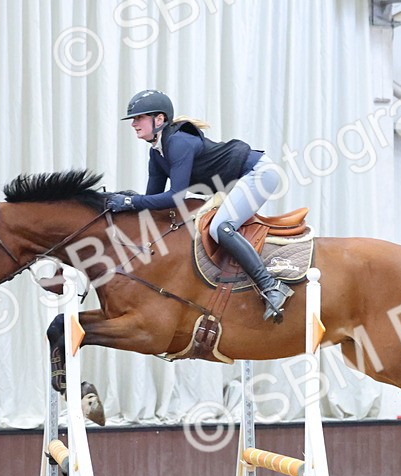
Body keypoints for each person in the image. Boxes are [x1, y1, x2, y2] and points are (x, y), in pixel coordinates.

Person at [105, 89, 288, 323]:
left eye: (139, 118)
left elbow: (175, 197)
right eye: (134, 119)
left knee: (220, 227)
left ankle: (271, 286)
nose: (133, 124)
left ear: (159, 120)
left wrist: (130, 201)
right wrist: (121, 203)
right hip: (238, 181)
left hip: (258, 173)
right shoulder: (157, 154)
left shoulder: (179, 143)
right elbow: (151, 202)